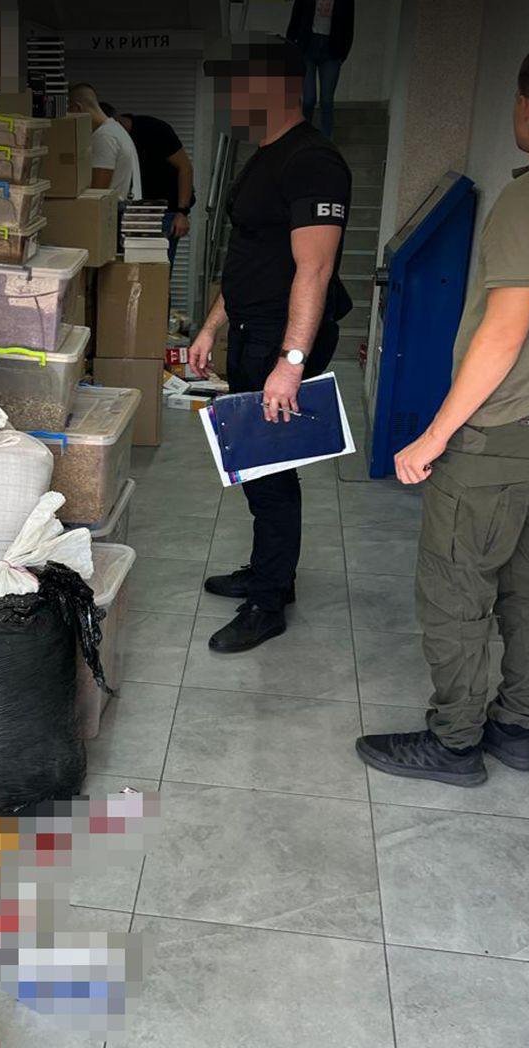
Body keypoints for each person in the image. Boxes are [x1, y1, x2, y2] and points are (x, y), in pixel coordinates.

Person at [355, 33, 529, 787]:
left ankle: (454, 743)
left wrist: (435, 435)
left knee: (455, 584)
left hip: (503, 429)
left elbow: (504, 330)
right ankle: (516, 729)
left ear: (523, 106)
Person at [189, 36, 351, 653]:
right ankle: (268, 573)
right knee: (257, 468)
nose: (229, 97)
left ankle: (268, 602)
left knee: (271, 469)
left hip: (281, 343)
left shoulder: (313, 161)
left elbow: (315, 268)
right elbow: (250, 257)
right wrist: (211, 326)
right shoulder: (263, 156)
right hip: (251, 333)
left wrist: (291, 362)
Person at [109, 110, 195, 266]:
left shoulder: (154, 129)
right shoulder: (114, 139)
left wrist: (182, 213)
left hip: (164, 212)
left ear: (116, 122)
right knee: (129, 268)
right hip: (133, 210)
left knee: (157, 270)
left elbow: (185, 168)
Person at [286, 0, 354, 139]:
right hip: (307, 46)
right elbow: (295, 18)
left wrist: (342, 53)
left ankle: (325, 142)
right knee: (308, 99)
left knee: (326, 100)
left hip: (332, 49)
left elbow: (349, 24)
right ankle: (303, 138)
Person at [68, 83, 142, 201]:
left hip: (114, 210)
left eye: (68, 113)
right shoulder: (115, 129)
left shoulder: (104, 136)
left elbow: (97, 194)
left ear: (76, 108)